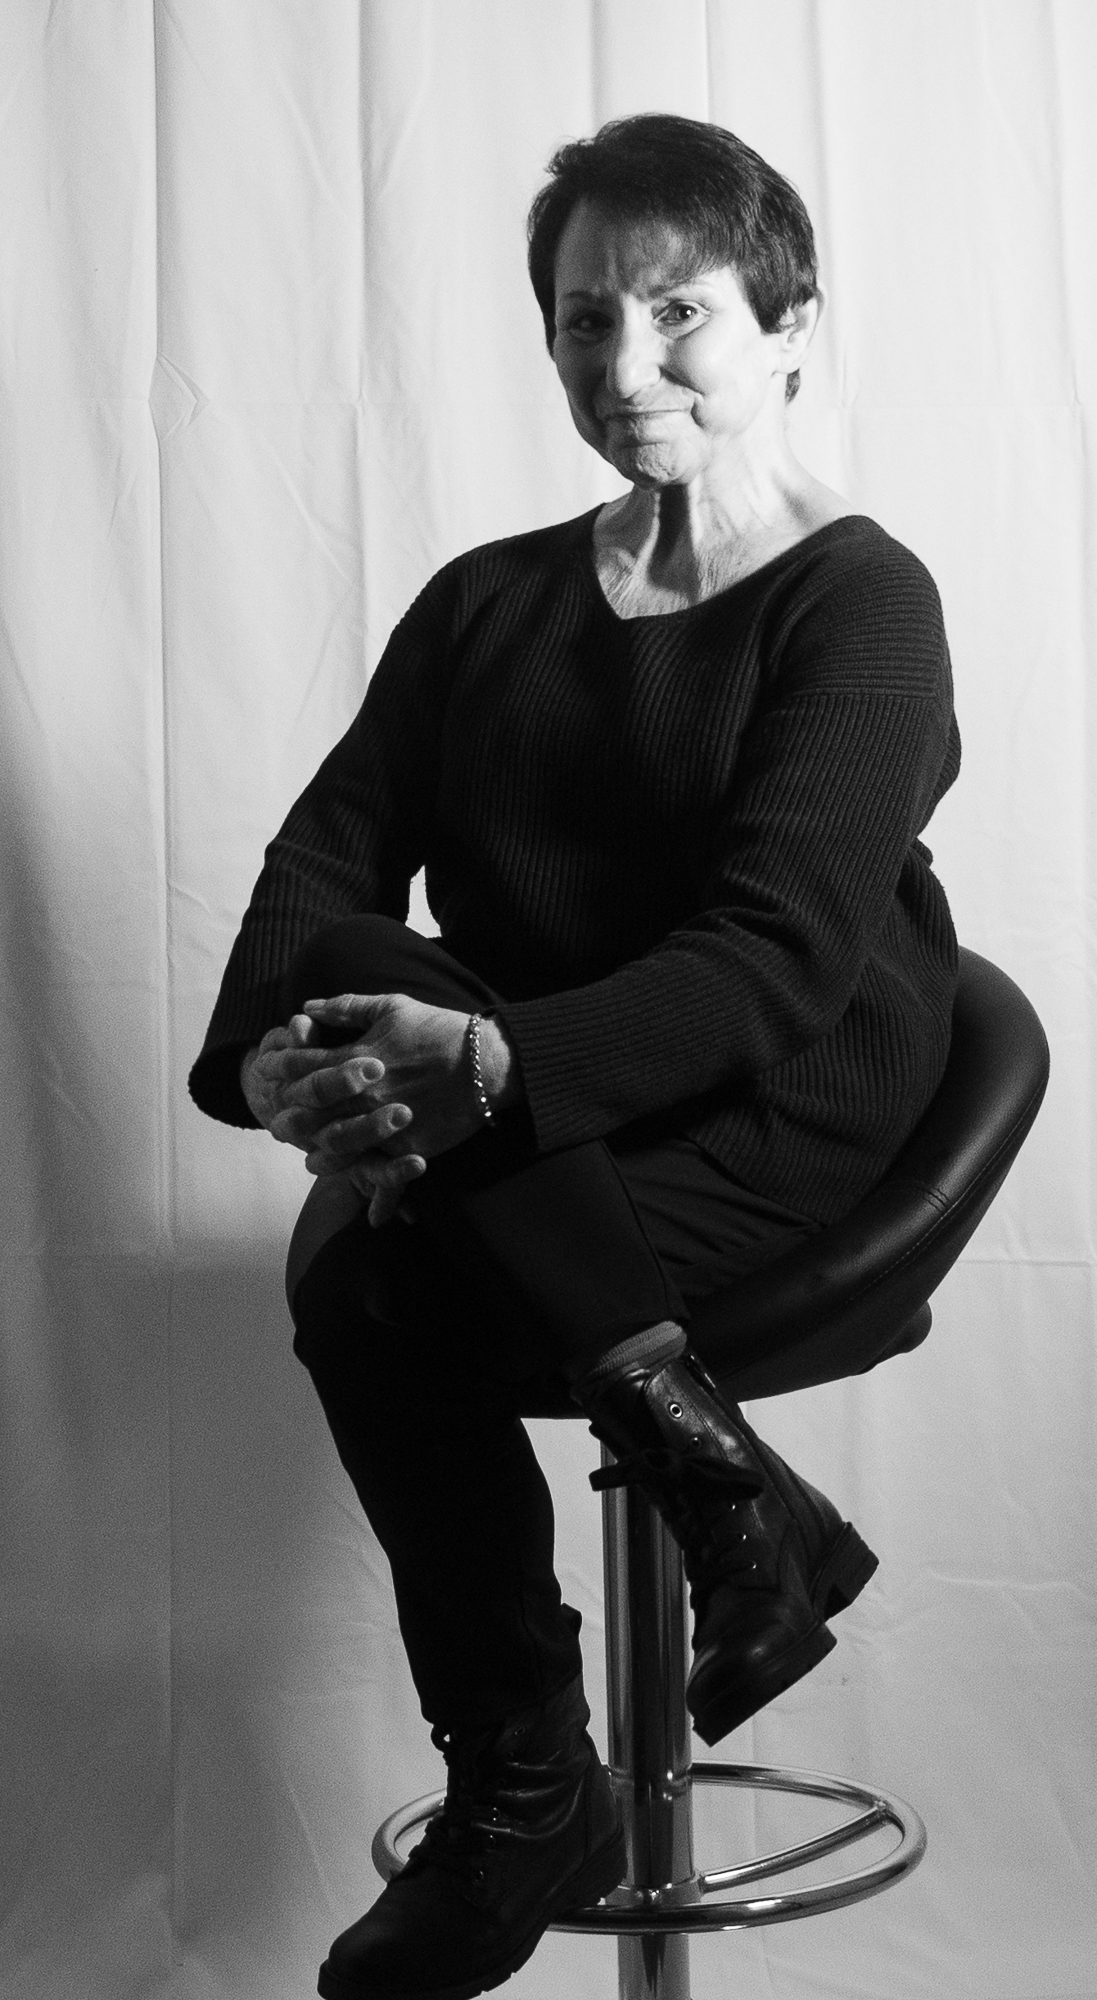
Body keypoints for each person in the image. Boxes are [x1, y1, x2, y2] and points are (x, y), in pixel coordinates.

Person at [190, 113, 959, 2000]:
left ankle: (531, 1785)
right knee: (349, 979)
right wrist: (266, 1066)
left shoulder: (860, 600)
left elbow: (772, 962)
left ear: (789, 325)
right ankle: (715, 1497)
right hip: (530, 1111)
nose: (624, 365)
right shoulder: (490, 599)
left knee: (374, 1287)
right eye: (581, 321)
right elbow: (327, 855)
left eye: (677, 312)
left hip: (773, 1099)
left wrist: (480, 1073)